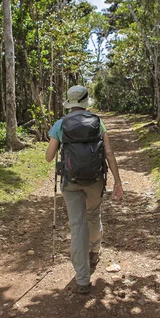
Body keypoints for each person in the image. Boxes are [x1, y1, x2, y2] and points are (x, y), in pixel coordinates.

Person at [45, 85, 123, 294]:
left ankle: (82, 279)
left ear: (69, 103)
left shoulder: (60, 124)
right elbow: (109, 153)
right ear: (86, 102)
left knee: (77, 225)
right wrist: (118, 181)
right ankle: (95, 250)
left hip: (71, 183)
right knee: (93, 215)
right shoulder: (98, 122)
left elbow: (49, 157)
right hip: (95, 180)